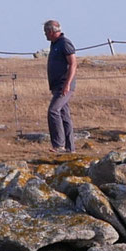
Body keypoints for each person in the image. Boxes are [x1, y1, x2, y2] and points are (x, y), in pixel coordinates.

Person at [44, 19, 78, 152]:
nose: (45, 35)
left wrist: (67, 84)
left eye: (46, 32)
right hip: (57, 85)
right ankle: (70, 148)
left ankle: (59, 145)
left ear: (51, 31)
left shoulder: (64, 43)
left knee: (53, 111)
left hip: (64, 85)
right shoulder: (55, 44)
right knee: (64, 115)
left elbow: (73, 63)